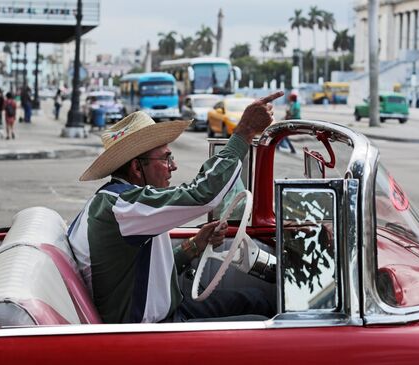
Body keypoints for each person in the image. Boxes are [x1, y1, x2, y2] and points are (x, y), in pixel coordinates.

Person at [68, 91, 284, 324]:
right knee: (260, 322)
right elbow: (202, 194)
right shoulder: (122, 207)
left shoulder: (120, 203)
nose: (174, 166)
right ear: (137, 168)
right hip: (149, 333)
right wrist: (243, 133)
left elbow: (148, 270)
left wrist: (195, 245)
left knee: (257, 298)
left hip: (172, 310)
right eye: (165, 159)